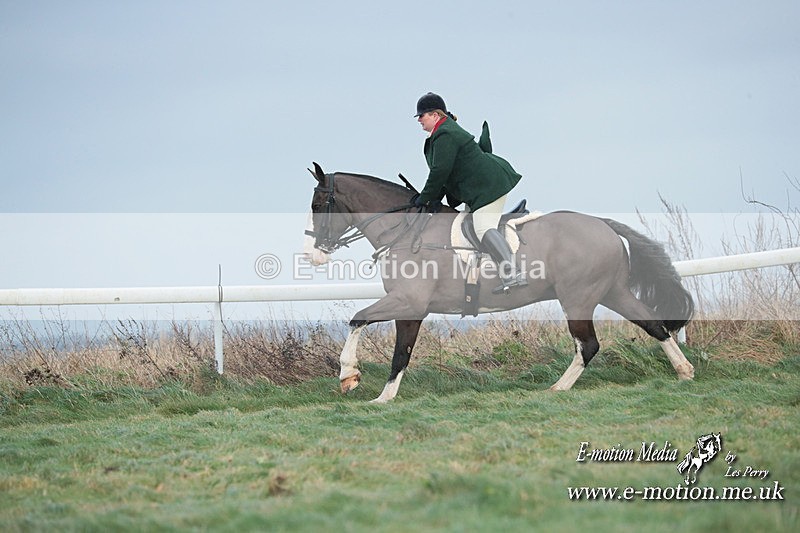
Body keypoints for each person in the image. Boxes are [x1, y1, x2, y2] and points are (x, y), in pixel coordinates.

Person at [413, 92, 527, 294]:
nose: (419, 120)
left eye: (422, 115)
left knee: (482, 227)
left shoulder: (445, 134)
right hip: (479, 188)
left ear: (435, 115)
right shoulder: (442, 133)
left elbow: (440, 171)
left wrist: (424, 197)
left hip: (489, 186)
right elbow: (446, 174)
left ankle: (512, 272)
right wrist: (434, 200)